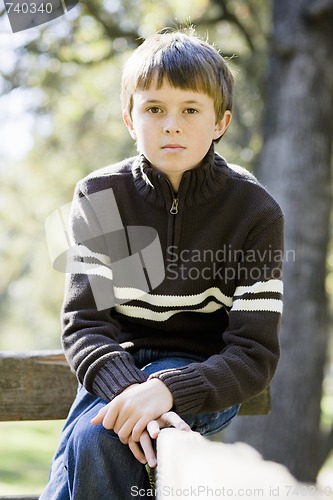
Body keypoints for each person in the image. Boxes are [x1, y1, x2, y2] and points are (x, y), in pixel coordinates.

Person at [41, 27, 284, 500]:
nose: (171, 124)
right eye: (154, 109)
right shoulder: (101, 196)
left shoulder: (254, 211)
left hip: (203, 372)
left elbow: (254, 353)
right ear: (130, 120)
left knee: (96, 441)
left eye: (190, 110)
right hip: (116, 366)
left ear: (221, 122)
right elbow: (85, 323)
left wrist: (168, 390)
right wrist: (132, 391)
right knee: (94, 439)